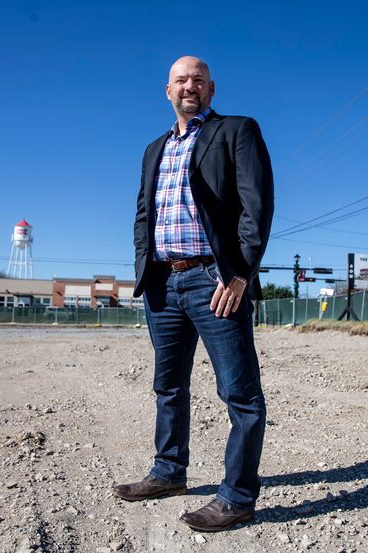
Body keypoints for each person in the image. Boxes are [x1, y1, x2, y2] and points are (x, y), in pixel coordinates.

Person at [113, 55, 274, 532]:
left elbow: (257, 206)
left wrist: (239, 273)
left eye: (198, 80)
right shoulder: (153, 149)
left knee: (240, 393)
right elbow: (145, 214)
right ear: (168, 91)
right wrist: (145, 268)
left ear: (211, 89)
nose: (190, 86)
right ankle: (168, 472)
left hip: (215, 281)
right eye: (181, 80)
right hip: (163, 284)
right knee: (168, 385)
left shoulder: (237, 131)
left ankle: (238, 497)